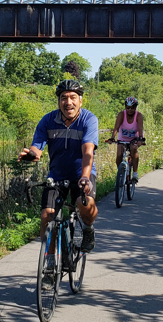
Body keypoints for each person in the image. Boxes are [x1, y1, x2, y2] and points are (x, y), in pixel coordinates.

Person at [18, 80, 99, 253]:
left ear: (81, 101)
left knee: (84, 202)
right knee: (47, 215)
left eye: (73, 97)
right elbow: (37, 149)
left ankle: (87, 229)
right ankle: (48, 263)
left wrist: (85, 177)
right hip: (57, 175)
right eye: (63, 98)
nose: (68, 102)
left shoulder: (88, 119)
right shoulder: (48, 121)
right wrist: (31, 155)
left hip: (81, 173)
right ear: (58, 101)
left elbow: (88, 151)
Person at [107, 96, 145, 182]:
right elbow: (116, 127)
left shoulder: (138, 116)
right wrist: (112, 138)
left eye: (132, 108)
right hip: (122, 138)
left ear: (135, 107)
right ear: (125, 107)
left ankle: (135, 173)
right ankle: (120, 172)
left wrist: (140, 139)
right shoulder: (121, 114)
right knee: (119, 154)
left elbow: (140, 128)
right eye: (128, 108)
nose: (130, 110)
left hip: (134, 138)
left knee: (133, 149)